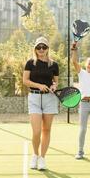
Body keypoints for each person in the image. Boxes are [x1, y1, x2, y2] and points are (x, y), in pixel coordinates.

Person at [23, 36, 59, 170]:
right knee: (37, 131)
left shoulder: (54, 65)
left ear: (48, 49)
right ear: (35, 49)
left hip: (50, 99)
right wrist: (39, 85)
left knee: (47, 129)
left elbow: (55, 81)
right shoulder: (30, 63)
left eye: (44, 47)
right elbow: (25, 81)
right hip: (34, 98)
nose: (41, 49)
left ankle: (42, 158)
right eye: (39, 47)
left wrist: (54, 86)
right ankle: (35, 155)